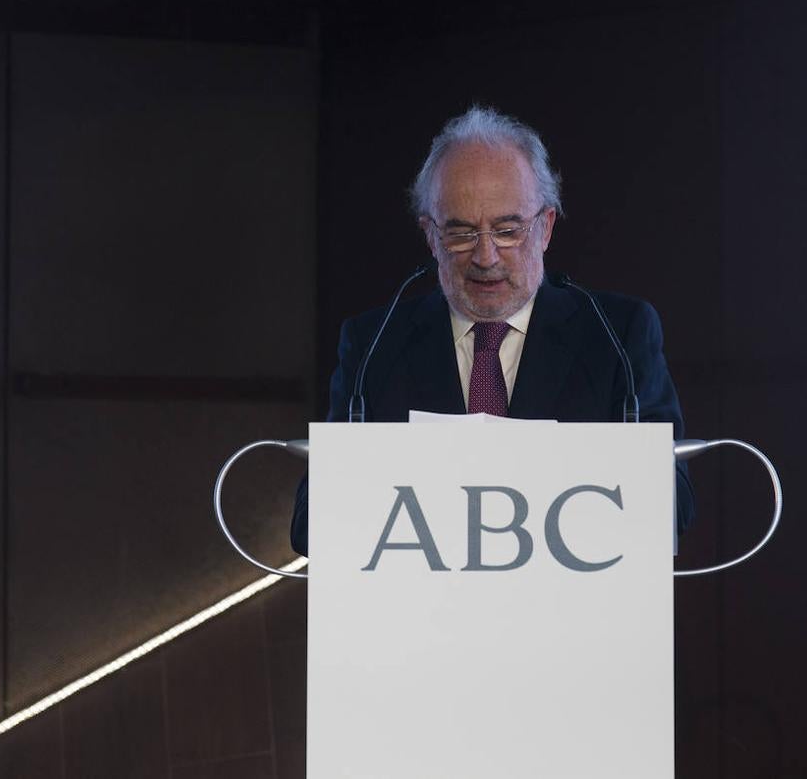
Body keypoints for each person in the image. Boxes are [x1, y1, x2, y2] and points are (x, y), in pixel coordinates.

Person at [290, 106, 693, 555]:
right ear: (430, 235)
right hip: (417, 619)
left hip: (572, 617)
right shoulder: (375, 344)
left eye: (507, 230)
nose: (485, 256)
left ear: (546, 227)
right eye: (460, 233)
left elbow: (672, 506)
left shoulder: (617, 336)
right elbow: (311, 524)